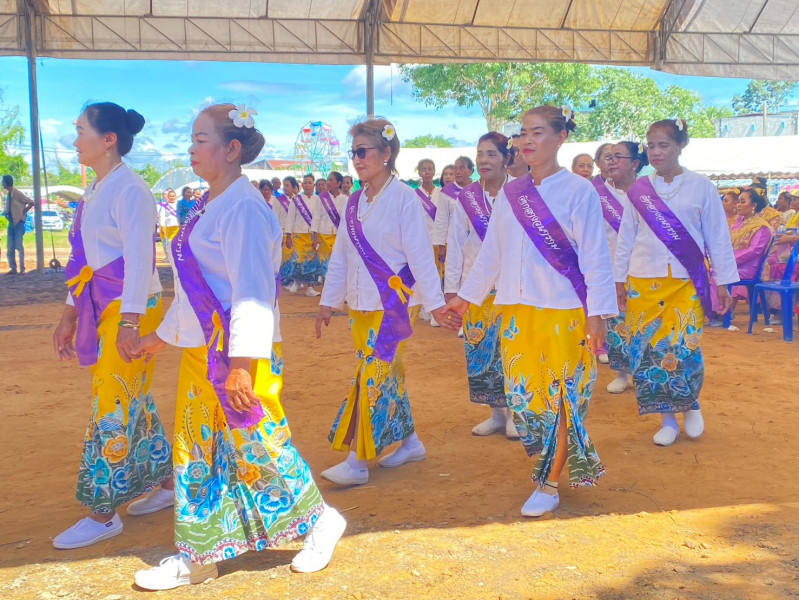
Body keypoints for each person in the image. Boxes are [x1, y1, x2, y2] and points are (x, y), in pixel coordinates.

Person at [132, 103, 345, 590]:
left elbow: (251, 292)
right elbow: (192, 293)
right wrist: (158, 340)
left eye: (200, 139)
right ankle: (199, 555)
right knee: (197, 448)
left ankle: (321, 521)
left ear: (231, 149)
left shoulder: (245, 208)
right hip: (203, 354)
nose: (191, 148)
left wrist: (242, 366)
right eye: (191, 138)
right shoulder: (210, 205)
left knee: (260, 442)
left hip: (240, 356)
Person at [441, 105, 617, 517]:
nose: (527, 140)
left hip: (563, 313)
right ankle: (550, 468)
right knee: (524, 399)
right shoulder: (512, 193)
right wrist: (465, 298)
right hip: (517, 313)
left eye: (537, 132)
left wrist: (597, 313)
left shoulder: (578, 191)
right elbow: (492, 254)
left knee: (561, 398)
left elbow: (595, 256)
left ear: (560, 137)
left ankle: (548, 483)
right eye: (523, 133)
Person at [51, 102, 174, 550]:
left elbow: (142, 259)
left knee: (112, 400)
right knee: (129, 394)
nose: (74, 140)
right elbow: (84, 262)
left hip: (128, 307)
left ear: (108, 140)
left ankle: (103, 515)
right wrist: (70, 313)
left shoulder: (131, 189)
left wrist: (130, 322)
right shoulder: (98, 188)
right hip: (104, 304)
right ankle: (166, 485)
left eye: (80, 130)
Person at [315, 118, 448, 487]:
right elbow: (341, 255)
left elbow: (420, 255)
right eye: (353, 152)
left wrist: (436, 304)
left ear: (386, 153)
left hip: (393, 305)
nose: (356, 159)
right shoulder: (354, 201)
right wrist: (328, 300)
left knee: (371, 375)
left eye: (363, 151)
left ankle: (357, 461)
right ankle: (411, 443)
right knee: (387, 375)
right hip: (360, 304)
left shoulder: (404, 198)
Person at [614, 118, 737, 447]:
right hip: (642, 282)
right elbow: (626, 237)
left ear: (681, 146)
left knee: (684, 347)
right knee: (648, 352)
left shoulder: (701, 186)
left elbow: (717, 237)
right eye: (651, 146)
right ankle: (667, 419)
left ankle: (690, 404)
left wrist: (723, 282)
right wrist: (618, 280)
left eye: (664, 145)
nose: (656, 152)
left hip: (685, 283)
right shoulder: (639, 190)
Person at [445, 133, 515, 437]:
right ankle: (496, 413)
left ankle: (516, 413)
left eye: (491, 154)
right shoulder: (467, 197)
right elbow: (456, 243)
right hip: (476, 289)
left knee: (511, 349)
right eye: (480, 154)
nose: (484, 160)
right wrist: (452, 289)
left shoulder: (521, 192)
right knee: (482, 350)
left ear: (506, 158)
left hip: (513, 287)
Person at [598, 141, 648, 394]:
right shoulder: (596, 194)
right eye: (609, 157)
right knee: (616, 324)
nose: (612, 161)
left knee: (645, 322)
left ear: (635, 163)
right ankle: (622, 372)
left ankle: (645, 371)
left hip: (644, 268)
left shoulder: (649, 193)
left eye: (618, 157)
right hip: (609, 269)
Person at [728, 188, 772, 315]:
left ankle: (722, 314)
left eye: (743, 202)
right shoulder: (739, 223)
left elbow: (754, 251)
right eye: (738, 202)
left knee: (718, 274)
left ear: (754, 205)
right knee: (708, 271)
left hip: (750, 267)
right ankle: (714, 312)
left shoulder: (761, 226)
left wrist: (730, 262)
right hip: (735, 264)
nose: (738, 205)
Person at [433, 157, 474, 291]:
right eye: (456, 168)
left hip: (475, 240)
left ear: (471, 171)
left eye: (462, 168)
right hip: (453, 241)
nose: (458, 171)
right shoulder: (447, 192)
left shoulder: (478, 189)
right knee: (453, 275)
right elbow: (441, 219)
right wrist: (441, 245)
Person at [415, 158, 447, 327]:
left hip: (439, 240)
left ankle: (438, 309)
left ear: (434, 171)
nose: (427, 172)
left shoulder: (442, 193)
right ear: (419, 172)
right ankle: (425, 307)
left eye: (430, 169)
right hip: (422, 241)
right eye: (423, 169)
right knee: (424, 274)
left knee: (439, 275)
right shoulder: (414, 195)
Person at [284, 174, 322, 296]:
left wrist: (316, 236)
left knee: (312, 261)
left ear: (313, 185)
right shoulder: (296, 200)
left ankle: (310, 288)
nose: (307, 185)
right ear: (302, 185)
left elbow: (318, 218)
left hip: (312, 235)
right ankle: (297, 281)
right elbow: (290, 218)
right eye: (305, 182)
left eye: (310, 183)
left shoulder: (318, 200)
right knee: (298, 260)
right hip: (298, 234)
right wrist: (288, 235)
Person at [311, 171, 348, 280]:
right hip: (323, 235)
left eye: (331, 180)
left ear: (338, 183)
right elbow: (316, 217)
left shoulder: (345, 199)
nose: (328, 182)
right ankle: (327, 282)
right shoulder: (321, 198)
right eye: (328, 180)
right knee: (325, 262)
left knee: (337, 261)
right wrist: (314, 236)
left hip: (338, 236)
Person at [2, 175, 34, 274]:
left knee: (19, 246)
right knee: (10, 247)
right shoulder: (9, 194)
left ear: (6, 183)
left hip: (18, 222)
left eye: (3, 182)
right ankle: (13, 268)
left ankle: (22, 268)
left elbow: (31, 202)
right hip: (11, 222)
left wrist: (23, 212)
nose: (2, 184)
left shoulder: (17, 193)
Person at [157, 188, 180, 263]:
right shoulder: (165, 206)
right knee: (169, 243)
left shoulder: (179, 204)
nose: (172, 198)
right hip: (169, 227)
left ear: (175, 196)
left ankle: (177, 256)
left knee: (178, 242)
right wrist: (163, 226)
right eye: (170, 196)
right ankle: (170, 256)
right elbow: (162, 217)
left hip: (178, 226)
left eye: (173, 196)